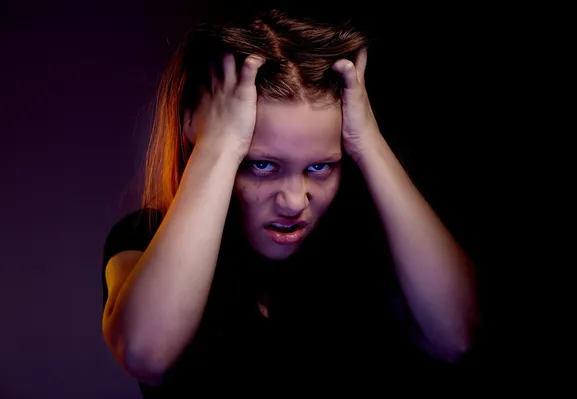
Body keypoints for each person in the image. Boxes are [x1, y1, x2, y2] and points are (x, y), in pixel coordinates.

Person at [101, 9, 479, 396]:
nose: (293, 201)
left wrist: (368, 142)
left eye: (320, 166)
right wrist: (218, 145)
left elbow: (458, 337)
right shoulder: (142, 236)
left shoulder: (367, 245)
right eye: (262, 165)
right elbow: (145, 354)